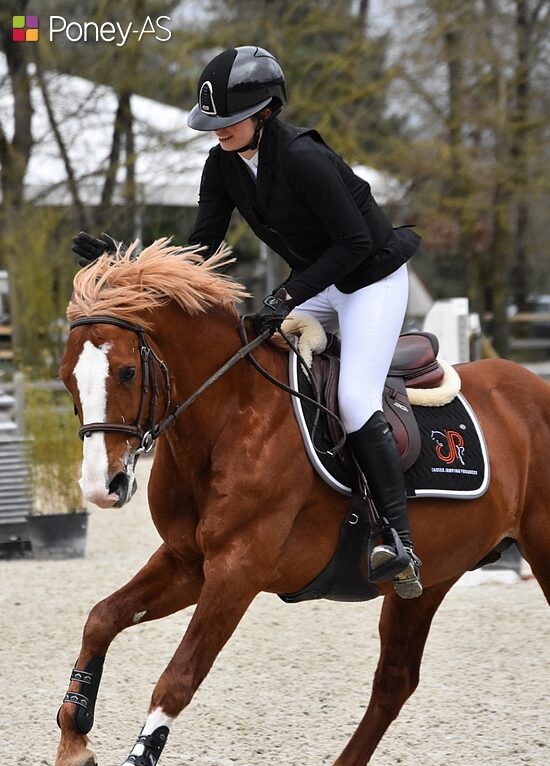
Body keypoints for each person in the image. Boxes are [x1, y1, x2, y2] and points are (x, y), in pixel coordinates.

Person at [72, 45, 422, 599]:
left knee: (356, 398)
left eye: (229, 121)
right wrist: (122, 261)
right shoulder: (222, 164)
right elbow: (200, 252)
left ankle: (398, 540)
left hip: (371, 279)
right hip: (323, 280)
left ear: (264, 113)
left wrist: (285, 296)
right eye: (214, 123)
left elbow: (354, 242)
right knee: (252, 357)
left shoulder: (303, 159)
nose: (219, 132)